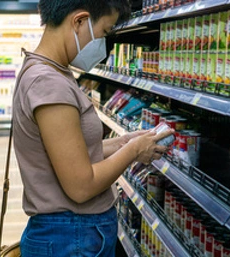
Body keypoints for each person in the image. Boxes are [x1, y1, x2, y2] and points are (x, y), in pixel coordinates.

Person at [12, 1, 174, 256]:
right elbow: (81, 186)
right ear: (79, 21)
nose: (103, 44)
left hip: (69, 235)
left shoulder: (49, 71)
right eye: (105, 32)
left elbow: (71, 152)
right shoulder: (48, 83)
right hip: (71, 238)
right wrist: (132, 152)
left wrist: (123, 142)